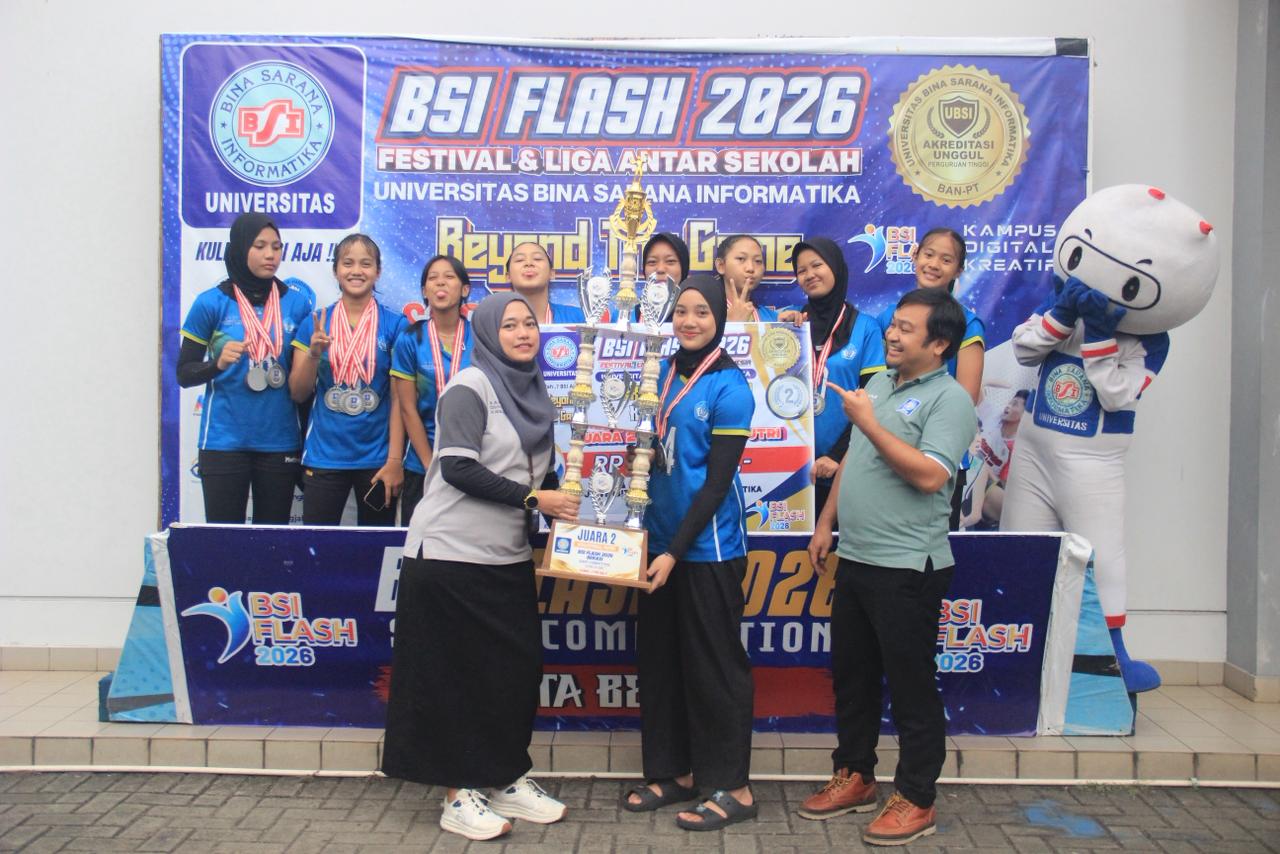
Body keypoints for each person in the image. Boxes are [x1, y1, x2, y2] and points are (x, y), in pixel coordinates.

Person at [382, 292, 578, 842]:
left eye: (528, 324)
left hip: (505, 556)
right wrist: (537, 501)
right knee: (456, 677)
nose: (522, 333)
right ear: (488, 334)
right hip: (450, 555)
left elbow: (541, 476)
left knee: (513, 672)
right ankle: (457, 793)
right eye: (509, 325)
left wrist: (581, 514)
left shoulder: (534, 392)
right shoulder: (469, 386)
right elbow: (459, 469)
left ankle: (505, 776)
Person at [802, 287, 976, 846]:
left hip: (908, 567)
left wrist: (869, 422)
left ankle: (917, 798)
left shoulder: (950, 400)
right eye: (893, 324)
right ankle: (855, 775)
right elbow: (856, 457)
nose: (893, 335)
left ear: (939, 344)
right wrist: (826, 521)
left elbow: (930, 476)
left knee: (910, 687)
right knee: (852, 679)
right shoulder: (879, 384)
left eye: (906, 328)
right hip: (856, 556)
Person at [622, 275, 758, 831]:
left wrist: (675, 552)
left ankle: (734, 787)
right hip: (657, 544)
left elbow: (717, 484)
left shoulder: (731, 385)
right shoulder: (660, 371)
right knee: (661, 664)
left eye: (702, 311)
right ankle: (674, 773)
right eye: (682, 311)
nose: (690, 321)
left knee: (713, 667)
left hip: (707, 550)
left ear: (719, 319)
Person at [177, 212, 314, 524]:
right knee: (224, 541)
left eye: (276, 247)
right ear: (240, 248)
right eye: (260, 246)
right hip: (224, 441)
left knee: (272, 542)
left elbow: (303, 384)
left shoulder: (296, 305)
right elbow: (184, 373)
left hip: (280, 442)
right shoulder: (210, 303)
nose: (270, 255)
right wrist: (217, 364)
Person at [289, 234, 406, 526]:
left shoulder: (396, 325)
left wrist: (394, 461)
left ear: (378, 271)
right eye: (348, 263)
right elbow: (298, 393)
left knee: (374, 548)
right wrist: (313, 354)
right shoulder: (315, 323)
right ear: (335, 270)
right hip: (324, 455)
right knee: (316, 546)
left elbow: (400, 400)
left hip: (378, 458)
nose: (356, 271)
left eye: (366, 264)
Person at [876, 227, 985, 529]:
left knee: (930, 547)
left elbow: (967, 398)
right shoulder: (888, 318)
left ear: (959, 270)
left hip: (938, 454)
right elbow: (877, 385)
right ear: (914, 256)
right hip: (887, 449)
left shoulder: (968, 324)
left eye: (946, 260)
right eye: (928, 254)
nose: (934, 265)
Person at [793, 237, 886, 516]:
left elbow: (874, 398)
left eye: (817, 265)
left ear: (835, 267)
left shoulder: (865, 328)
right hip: (793, 470)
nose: (809, 275)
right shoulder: (790, 327)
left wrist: (837, 455)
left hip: (845, 464)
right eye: (801, 270)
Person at [391, 255, 473, 522]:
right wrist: (430, 466)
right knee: (420, 541)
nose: (440, 283)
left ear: (465, 289)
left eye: (449, 277)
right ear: (424, 291)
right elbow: (407, 408)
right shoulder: (410, 339)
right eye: (433, 278)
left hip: (473, 460)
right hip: (421, 462)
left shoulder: (481, 336)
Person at [506, 241, 585, 324]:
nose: (529, 263)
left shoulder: (580, 318)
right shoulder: (498, 320)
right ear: (508, 276)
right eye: (519, 260)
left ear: (551, 274)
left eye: (537, 259)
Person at [716, 233, 778, 322]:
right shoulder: (707, 312)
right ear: (721, 265)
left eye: (758, 261)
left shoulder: (773, 318)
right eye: (741, 259)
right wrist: (733, 324)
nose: (750, 268)